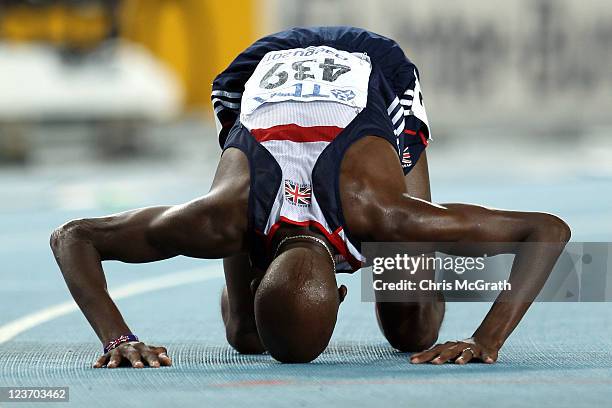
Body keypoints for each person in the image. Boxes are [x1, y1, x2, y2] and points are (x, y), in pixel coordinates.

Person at [50, 26, 570, 368]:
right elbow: (71, 237)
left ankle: (253, 274)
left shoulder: (386, 213)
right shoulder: (217, 218)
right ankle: (248, 296)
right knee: (244, 335)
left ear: (341, 299)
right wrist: (118, 340)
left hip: (374, 68)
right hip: (259, 70)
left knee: (413, 326)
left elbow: (548, 231)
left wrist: (488, 341)